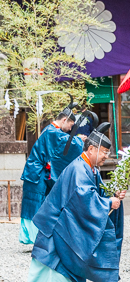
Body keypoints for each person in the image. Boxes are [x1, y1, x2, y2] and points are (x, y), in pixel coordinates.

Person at [24, 123, 125, 282]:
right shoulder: (80, 168)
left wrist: (112, 197)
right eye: (104, 152)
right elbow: (83, 198)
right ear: (91, 149)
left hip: (65, 223)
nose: (106, 156)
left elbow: (94, 194)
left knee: (73, 261)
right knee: (67, 263)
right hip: (59, 227)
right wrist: (107, 204)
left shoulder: (88, 167)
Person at [19, 102, 84, 244]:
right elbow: (66, 143)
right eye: (71, 125)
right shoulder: (52, 131)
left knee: (38, 204)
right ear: (64, 120)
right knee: (35, 205)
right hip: (36, 173)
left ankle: (37, 238)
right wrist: (78, 140)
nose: (70, 129)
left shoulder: (51, 130)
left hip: (37, 172)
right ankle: (35, 238)